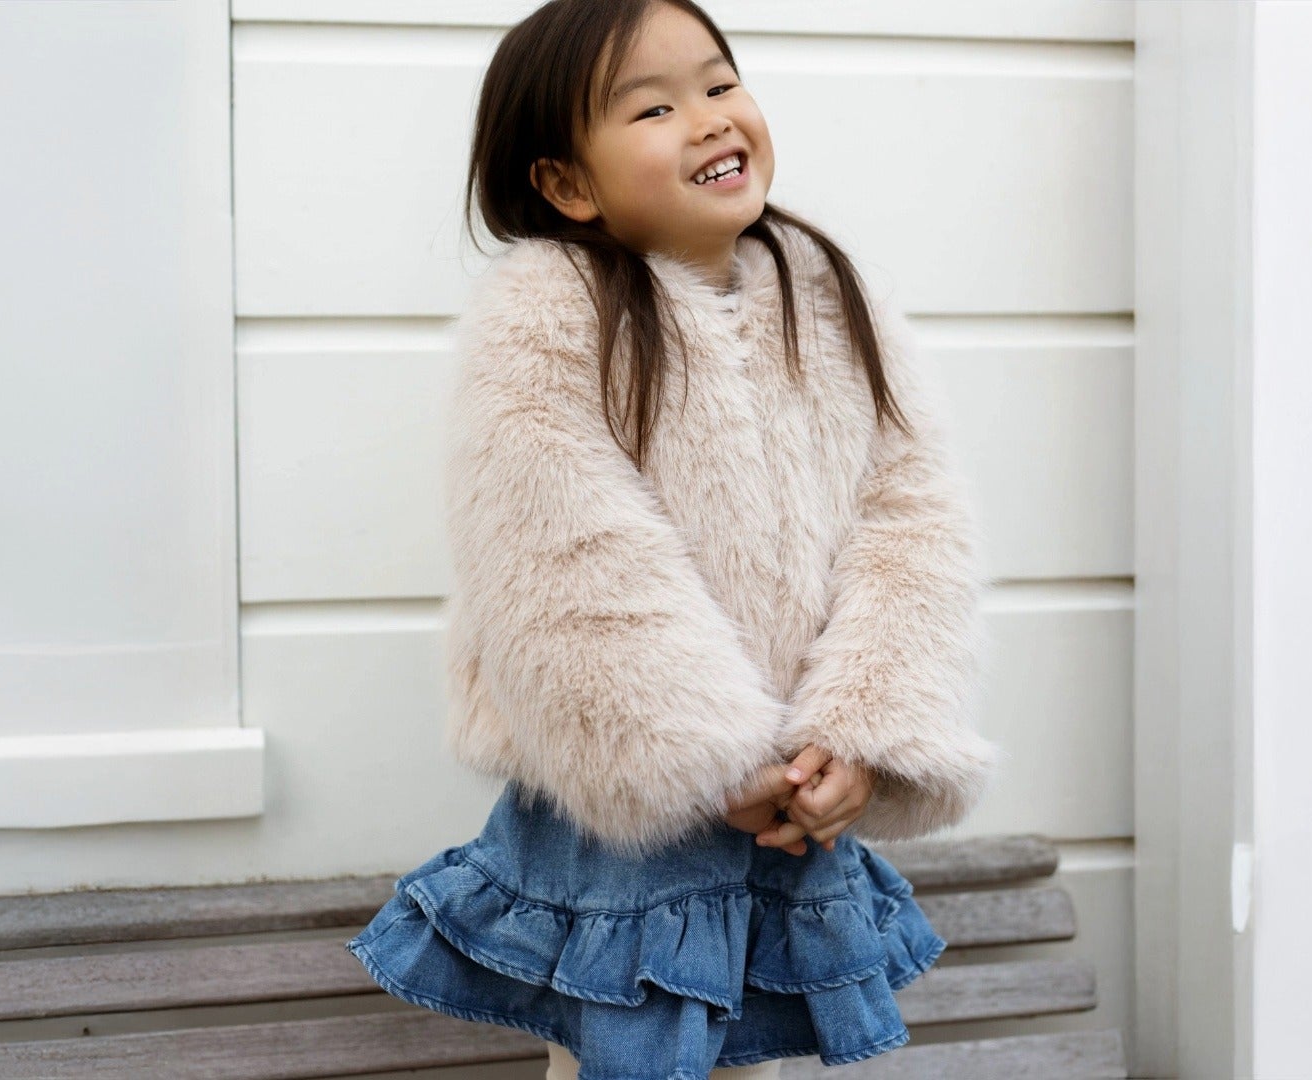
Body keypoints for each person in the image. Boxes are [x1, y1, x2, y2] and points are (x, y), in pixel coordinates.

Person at [344, 1, 1005, 1076]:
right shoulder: (547, 323)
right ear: (567, 183)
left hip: (794, 799)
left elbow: (913, 519)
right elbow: (561, 565)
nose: (709, 118)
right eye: (652, 108)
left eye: (719, 83)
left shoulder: (831, 301)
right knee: (629, 1049)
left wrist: (862, 735)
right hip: (637, 817)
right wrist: (704, 763)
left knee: (761, 1061)